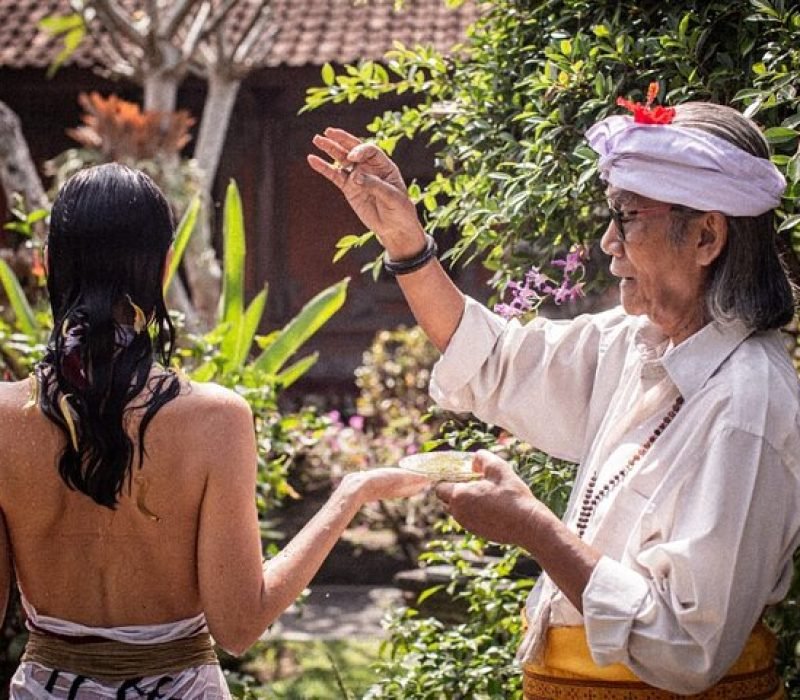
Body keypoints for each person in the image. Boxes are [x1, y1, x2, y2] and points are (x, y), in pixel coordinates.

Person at [308, 95, 800, 698]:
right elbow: (495, 360)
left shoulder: (748, 404)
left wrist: (535, 529)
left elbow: (687, 648)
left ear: (705, 235)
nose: (607, 243)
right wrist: (407, 242)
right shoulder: (637, 346)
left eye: (627, 217)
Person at [0, 163, 430, 699]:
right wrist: (352, 492)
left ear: (50, 266)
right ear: (162, 270)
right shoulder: (215, 420)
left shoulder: (3, 419)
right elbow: (239, 625)